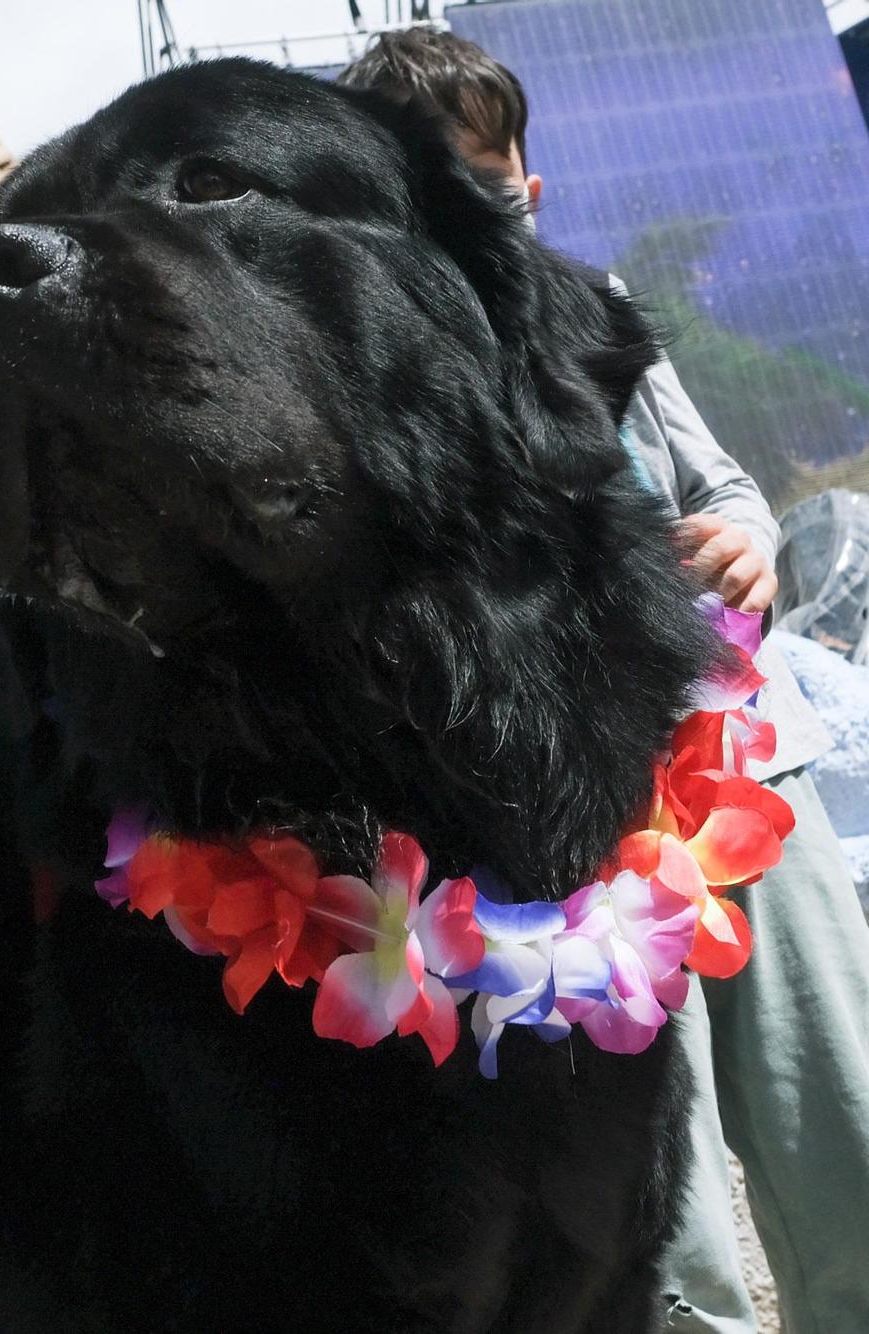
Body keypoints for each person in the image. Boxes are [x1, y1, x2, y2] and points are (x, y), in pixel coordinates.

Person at [341, 31, 869, 1334]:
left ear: (530, 180)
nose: (481, 205)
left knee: (844, 1135)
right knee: (663, 1230)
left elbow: (725, 489)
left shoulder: (601, 307)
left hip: (750, 770)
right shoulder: (359, 376)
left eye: (494, 172)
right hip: (566, 847)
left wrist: (744, 540)